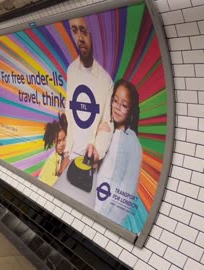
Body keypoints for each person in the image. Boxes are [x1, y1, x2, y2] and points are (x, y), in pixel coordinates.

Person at [61, 17, 114, 171]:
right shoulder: (71, 70)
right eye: (75, 31)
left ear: (92, 33)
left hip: (89, 162)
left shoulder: (106, 81)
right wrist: (65, 155)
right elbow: (69, 113)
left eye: (83, 31)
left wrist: (97, 150)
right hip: (69, 157)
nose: (79, 38)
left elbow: (107, 123)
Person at [94, 79, 142, 225]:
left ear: (131, 111)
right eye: (115, 101)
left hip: (106, 216)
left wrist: (107, 220)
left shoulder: (133, 143)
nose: (117, 107)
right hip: (89, 202)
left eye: (124, 105)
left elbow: (127, 191)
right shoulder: (105, 128)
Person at [38, 113, 67, 186]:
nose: (62, 144)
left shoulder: (62, 153)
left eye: (64, 139)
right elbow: (47, 181)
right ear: (53, 142)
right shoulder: (52, 158)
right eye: (58, 142)